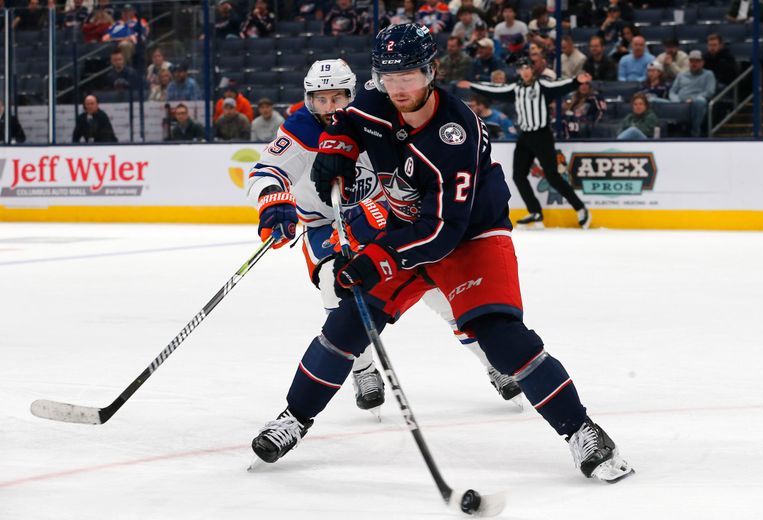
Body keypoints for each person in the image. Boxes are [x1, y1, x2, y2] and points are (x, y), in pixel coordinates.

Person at [251, 24, 633, 486]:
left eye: (409, 75)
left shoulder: (455, 134)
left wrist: (380, 259)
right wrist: (339, 151)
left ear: (431, 71)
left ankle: (583, 431)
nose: (399, 88)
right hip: (401, 225)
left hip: (469, 236)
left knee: (499, 335)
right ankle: (293, 418)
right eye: (389, 77)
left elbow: (441, 234)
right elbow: (349, 124)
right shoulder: (375, 99)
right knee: (346, 323)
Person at [245, 59, 522, 415]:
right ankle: (362, 369)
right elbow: (266, 171)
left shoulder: (370, 118)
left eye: (338, 98)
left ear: (353, 94)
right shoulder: (299, 129)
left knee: (439, 289)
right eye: (321, 99)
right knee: (336, 284)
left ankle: (492, 362)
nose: (330, 108)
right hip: (324, 224)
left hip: (379, 213)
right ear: (308, 99)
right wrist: (273, 201)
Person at [459, 53, 592, 229]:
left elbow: (560, 86)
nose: (525, 71)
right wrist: (473, 86)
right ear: (518, 71)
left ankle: (581, 208)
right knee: (518, 175)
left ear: (532, 69)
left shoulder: (542, 85)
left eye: (527, 67)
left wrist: (577, 81)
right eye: (521, 69)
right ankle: (535, 212)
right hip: (525, 137)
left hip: (542, 136)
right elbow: (496, 90)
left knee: (552, 176)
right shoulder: (516, 89)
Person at [669, 50, 716, 137]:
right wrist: (677, 101)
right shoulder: (681, 75)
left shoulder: (708, 74)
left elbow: (710, 91)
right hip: (679, 103)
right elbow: (672, 91)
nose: (694, 63)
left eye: (697, 61)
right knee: (653, 100)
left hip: (695, 104)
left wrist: (693, 99)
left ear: (702, 63)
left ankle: (695, 131)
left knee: (700, 101)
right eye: (692, 61)